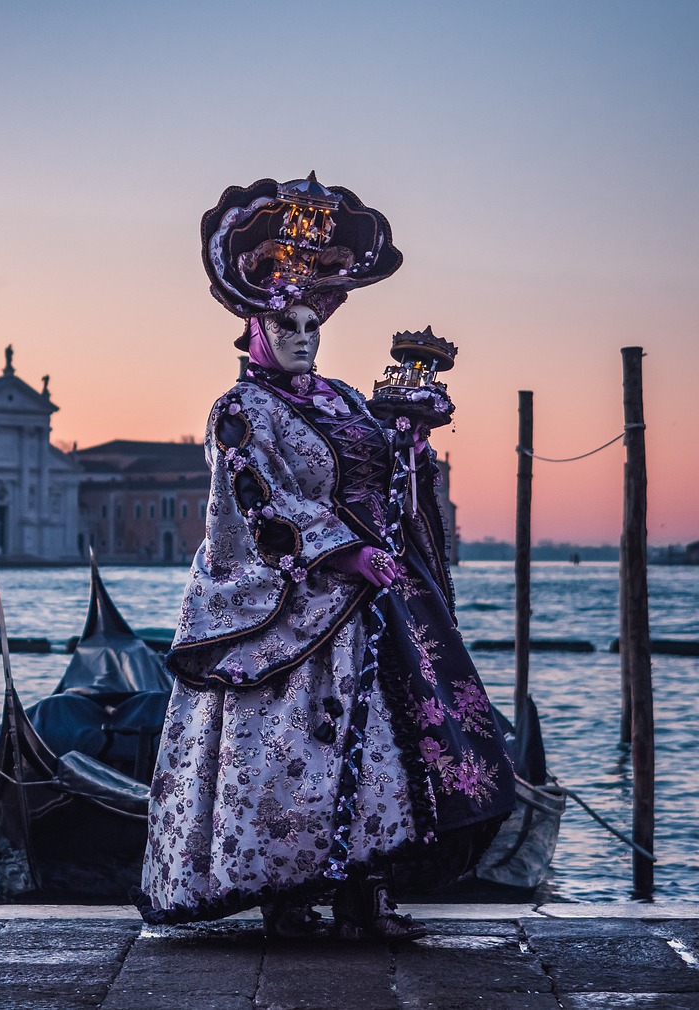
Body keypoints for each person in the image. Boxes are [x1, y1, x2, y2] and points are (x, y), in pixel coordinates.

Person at [134, 176, 516, 941]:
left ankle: (365, 897)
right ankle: (288, 899)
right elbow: (257, 499)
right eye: (288, 322)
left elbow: (382, 477)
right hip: (291, 605)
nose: (304, 334)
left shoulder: (344, 398)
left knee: (390, 746)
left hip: (380, 597)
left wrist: (410, 443)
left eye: (312, 322)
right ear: (255, 328)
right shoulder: (242, 410)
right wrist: (343, 557)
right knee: (294, 747)